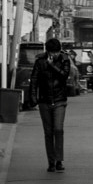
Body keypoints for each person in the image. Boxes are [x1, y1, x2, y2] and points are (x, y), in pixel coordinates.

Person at [27, 36, 73, 173]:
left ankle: (59, 160)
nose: (55, 54)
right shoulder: (40, 61)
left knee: (58, 129)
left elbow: (64, 75)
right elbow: (34, 79)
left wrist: (52, 65)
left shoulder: (65, 59)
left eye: (57, 52)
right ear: (48, 51)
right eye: (52, 52)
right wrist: (33, 97)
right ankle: (51, 162)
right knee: (48, 132)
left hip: (60, 100)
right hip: (44, 101)